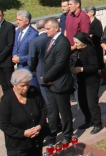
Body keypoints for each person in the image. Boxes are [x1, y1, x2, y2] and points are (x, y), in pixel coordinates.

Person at [0, 69, 47, 156]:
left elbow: (43, 109)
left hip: (36, 142)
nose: (26, 88)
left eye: (28, 84)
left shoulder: (33, 92)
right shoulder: (7, 100)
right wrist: (23, 133)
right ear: (14, 84)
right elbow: (4, 124)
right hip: (17, 147)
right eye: (22, 86)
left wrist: (40, 125)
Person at [41, 18, 73, 147]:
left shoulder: (63, 42)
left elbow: (59, 65)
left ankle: (67, 135)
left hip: (60, 83)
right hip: (50, 83)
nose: (46, 31)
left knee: (64, 111)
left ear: (56, 28)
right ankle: (52, 134)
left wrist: (46, 77)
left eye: (48, 29)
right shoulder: (51, 41)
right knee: (52, 111)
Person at [72, 32, 102, 134]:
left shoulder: (89, 50)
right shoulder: (79, 50)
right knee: (83, 102)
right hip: (82, 81)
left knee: (92, 103)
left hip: (91, 81)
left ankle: (97, 123)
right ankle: (88, 120)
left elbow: (94, 67)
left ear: (82, 42)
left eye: (76, 42)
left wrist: (82, 69)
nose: (75, 44)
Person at [28, 20, 49, 102]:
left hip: (41, 72)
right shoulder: (53, 38)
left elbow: (32, 59)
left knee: (47, 97)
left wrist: (32, 69)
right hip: (55, 71)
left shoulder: (34, 42)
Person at [84, 5, 104, 79]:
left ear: (92, 12)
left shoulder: (96, 22)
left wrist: (92, 36)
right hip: (90, 45)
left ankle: (104, 76)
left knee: (99, 61)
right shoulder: (86, 22)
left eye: (87, 12)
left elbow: (99, 34)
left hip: (96, 45)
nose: (85, 13)